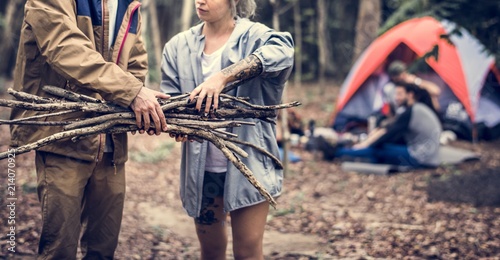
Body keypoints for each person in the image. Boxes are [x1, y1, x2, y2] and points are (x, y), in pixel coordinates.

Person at [10, 0, 169, 258]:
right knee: (60, 248)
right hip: (64, 135)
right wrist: (131, 92)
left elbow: (137, 61)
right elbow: (63, 47)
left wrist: (141, 109)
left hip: (111, 144)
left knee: (103, 249)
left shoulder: (130, 3)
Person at [160, 0, 294, 258]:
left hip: (250, 165)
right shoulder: (177, 47)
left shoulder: (256, 37)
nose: (200, 0)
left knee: (247, 251)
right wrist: (177, 126)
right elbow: (171, 101)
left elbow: (283, 52)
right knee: (211, 250)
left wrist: (222, 76)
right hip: (202, 170)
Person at [332, 83, 442, 168]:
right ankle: (350, 153)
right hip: (430, 157)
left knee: (379, 149)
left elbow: (390, 133)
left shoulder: (411, 112)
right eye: (395, 94)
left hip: (420, 158)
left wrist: (368, 145)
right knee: (383, 149)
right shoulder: (418, 109)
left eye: (399, 94)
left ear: (410, 95)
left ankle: (338, 153)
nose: (396, 98)